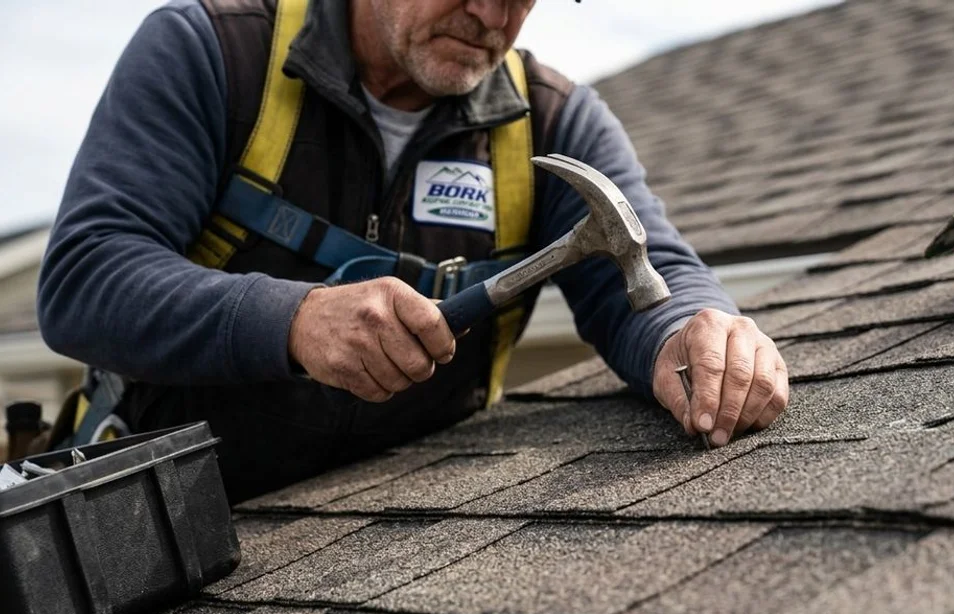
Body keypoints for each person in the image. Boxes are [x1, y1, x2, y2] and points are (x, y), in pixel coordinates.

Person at [37, 0, 789, 502]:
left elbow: (655, 274)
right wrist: (292, 319)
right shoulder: (212, 51)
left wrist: (691, 334)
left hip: (395, 530)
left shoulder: (553, 120)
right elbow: (86, 275)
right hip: (160, 520)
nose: (492, 16)